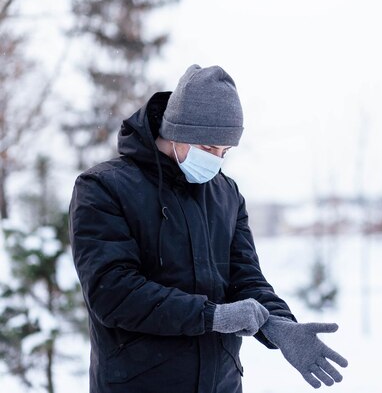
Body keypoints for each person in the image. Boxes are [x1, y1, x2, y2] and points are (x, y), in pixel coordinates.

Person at [69, 64, 348, 393]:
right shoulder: (103, 188)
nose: (217, 159)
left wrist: (279, 325)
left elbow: (246, 279)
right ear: (176, 131)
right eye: (208, 148)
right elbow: (113, 292)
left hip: (221, 385)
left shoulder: (226, 194)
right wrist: (211, 316)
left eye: (224, 151)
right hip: (139, 383)